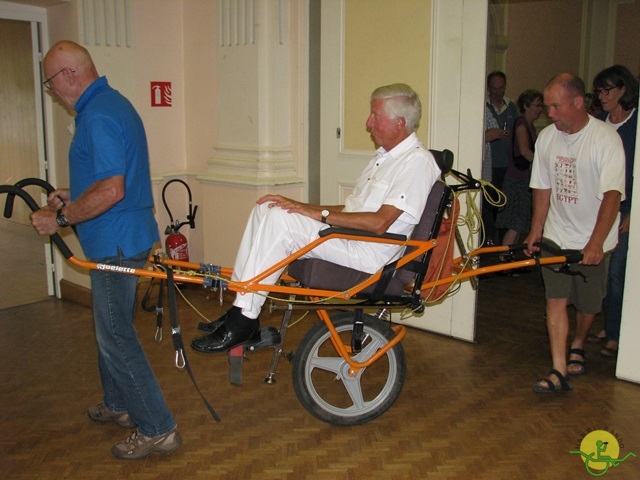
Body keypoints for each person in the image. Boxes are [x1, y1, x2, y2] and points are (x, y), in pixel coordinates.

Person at [192, 83, 441, 353]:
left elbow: (380, 222)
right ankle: (241, 308)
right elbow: (352, 210)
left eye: (375, 116)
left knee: (280, 221)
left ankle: (245, 319)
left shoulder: (417, 162)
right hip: (353, 240)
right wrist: (299, 205)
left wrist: (318, 214)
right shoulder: (385, 158)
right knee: (267, 209)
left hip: (369, 254)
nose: (368, 123)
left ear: (399, 123)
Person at [30, 41, 180, 459]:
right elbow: (112, 179)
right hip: (120, 236)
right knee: (111, 328)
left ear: (68, 75)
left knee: (115, 334)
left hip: (115, 241)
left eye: (50, 82)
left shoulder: (97, 116)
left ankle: (158, 427)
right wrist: (72, 196)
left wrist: (60, 219)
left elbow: (112, 190)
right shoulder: (112, 105)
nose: (52, 91)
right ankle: (118, 405)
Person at [523, 73, 625, 393]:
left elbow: (612, 195)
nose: (549, 113)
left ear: (578, 103)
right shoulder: (548, 139)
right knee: (555, 299)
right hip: (557, 234)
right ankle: (558, 369)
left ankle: (579, 341)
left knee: (588, 305)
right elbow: (542, 187)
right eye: (548, 106)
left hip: (595, 239)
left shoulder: (605, 139)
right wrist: (536, 231)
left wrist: (595, 243)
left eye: (555, 106)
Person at [588, 65, 638, 358]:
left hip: (628, 205)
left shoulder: (636, 125)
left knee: (618, 272)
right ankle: (608, 324)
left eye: (607, 90)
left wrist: (634, 213)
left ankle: (616, 333)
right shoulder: (598, 124)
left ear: (623, 90)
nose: (602, 96)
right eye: (599, 91)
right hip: (600, 202)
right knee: (602, 272)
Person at [495, 89, 544, 250]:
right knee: (515, 224)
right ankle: (505, 260)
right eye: (536, 105)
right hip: (517, 180)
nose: (540, 109)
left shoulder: (528, 125)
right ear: (526, 105)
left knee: (517, 224)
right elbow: (524, 151)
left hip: (522, 179)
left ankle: (507, 260)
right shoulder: (522, 123)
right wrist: (543, 165)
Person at [483, 71, 519, 245]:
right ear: (489, 89)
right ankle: (489, 242)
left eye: (501, 87)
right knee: (489, 205)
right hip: (490, 167)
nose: (498, 91)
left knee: (506, 206)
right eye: (494, 88)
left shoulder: (511, 106)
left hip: (508, 165)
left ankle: (503, 245)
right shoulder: (483, 108)